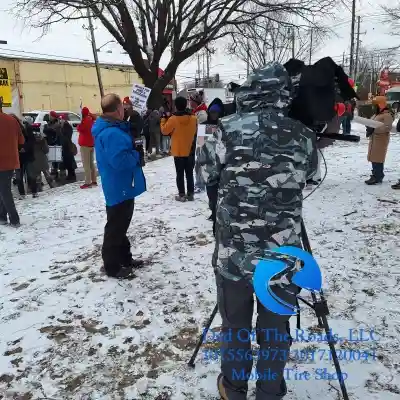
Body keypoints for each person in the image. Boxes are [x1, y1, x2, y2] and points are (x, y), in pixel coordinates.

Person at [199, 63, 317, 400]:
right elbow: (310, 175)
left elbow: (205, 174)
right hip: (282, 257)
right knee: (275, 327)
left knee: (235, 327)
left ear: (251, 90)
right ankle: (269, 391)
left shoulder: (226, 130)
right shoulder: (303, 134)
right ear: (283, 94)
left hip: (234, 256)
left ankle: (233, 389)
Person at [92, 93, 146, 279]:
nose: (125, 110)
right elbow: (119, 161)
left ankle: (125, 258)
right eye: (123, 108)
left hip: (119, 185)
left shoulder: (111, 129)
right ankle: (112, 266)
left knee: (120, 226)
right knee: (116, 227)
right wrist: (137, 154)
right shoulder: (111, 133)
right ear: (117, 110)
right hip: (119, 186)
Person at [196, 98, 224, 235]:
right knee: (212, 198)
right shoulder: (204, 126)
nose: (214, 115)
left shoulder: (225, 125)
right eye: (212, 112)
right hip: (209, 169)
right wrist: (201, 165)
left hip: (224, 169)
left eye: (217, 112)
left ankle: (218, 226)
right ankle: (214, 216)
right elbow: (200, 148)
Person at [160, 96, 197, 202]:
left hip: (178, 151)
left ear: (176, 106)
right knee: (189, 173)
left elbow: (164, 131)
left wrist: (163, 119)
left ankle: (181, 194)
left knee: (180, 174)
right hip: (190, 149)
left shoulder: (173, 119)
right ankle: (190, 194)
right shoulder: (194, 118)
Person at [0, 108, 25, 227]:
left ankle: (14, 219)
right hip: (11, 160)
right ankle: (2, 216)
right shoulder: (12, 120)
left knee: (5, 191)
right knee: (3, 189)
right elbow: (21, 140)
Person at [365, 96, 393, 185]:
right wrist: (368, 127)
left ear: (381, 104)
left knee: (378, 158)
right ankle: (375, 174)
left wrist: (374, 129)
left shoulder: (387, 115)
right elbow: (371, 123)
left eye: (376, 105)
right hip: (374, 139)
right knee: (373, 157)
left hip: (381, 139)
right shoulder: (377, 114)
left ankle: (378, 176)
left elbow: (387, 127)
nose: (374, 106)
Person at [10, 114, 37, 198]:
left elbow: (32, 141)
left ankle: (34, 192)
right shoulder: (10, 131)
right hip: (17, 157)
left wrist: (25, 148)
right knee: (18, 177)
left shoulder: (26, 128)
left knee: (30, 175)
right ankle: (22, 194)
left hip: (27, 155)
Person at [190, 91, 208, 193]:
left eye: (190, 100)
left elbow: (202, 130)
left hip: (202, 140)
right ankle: (200, 183)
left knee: (200, 163)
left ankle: (200, 185)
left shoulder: (202, 114)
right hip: (199, 140)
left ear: (195, 101)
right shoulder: (196, 111)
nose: (189, 102)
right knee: (199, 163)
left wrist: (200, 145)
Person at [77, 106, 97, 189]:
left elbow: (79, 128)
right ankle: (94, 180)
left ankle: (88, 182)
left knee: (86, 165)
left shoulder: (85, 121)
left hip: (85, 145)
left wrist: (81, 122)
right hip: (91, 144)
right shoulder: (92, 120)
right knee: (91, 163)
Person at [59, 116, 77, 182]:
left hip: (67, 146)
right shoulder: (64, 126)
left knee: (69, 160)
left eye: (62, 119)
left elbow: (66, 136)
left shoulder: (67, 126)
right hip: (66, 146)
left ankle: (72, 175)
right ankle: (70, 174)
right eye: (60, 119)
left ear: (65, 119)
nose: (61, 120)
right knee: (68, 160)